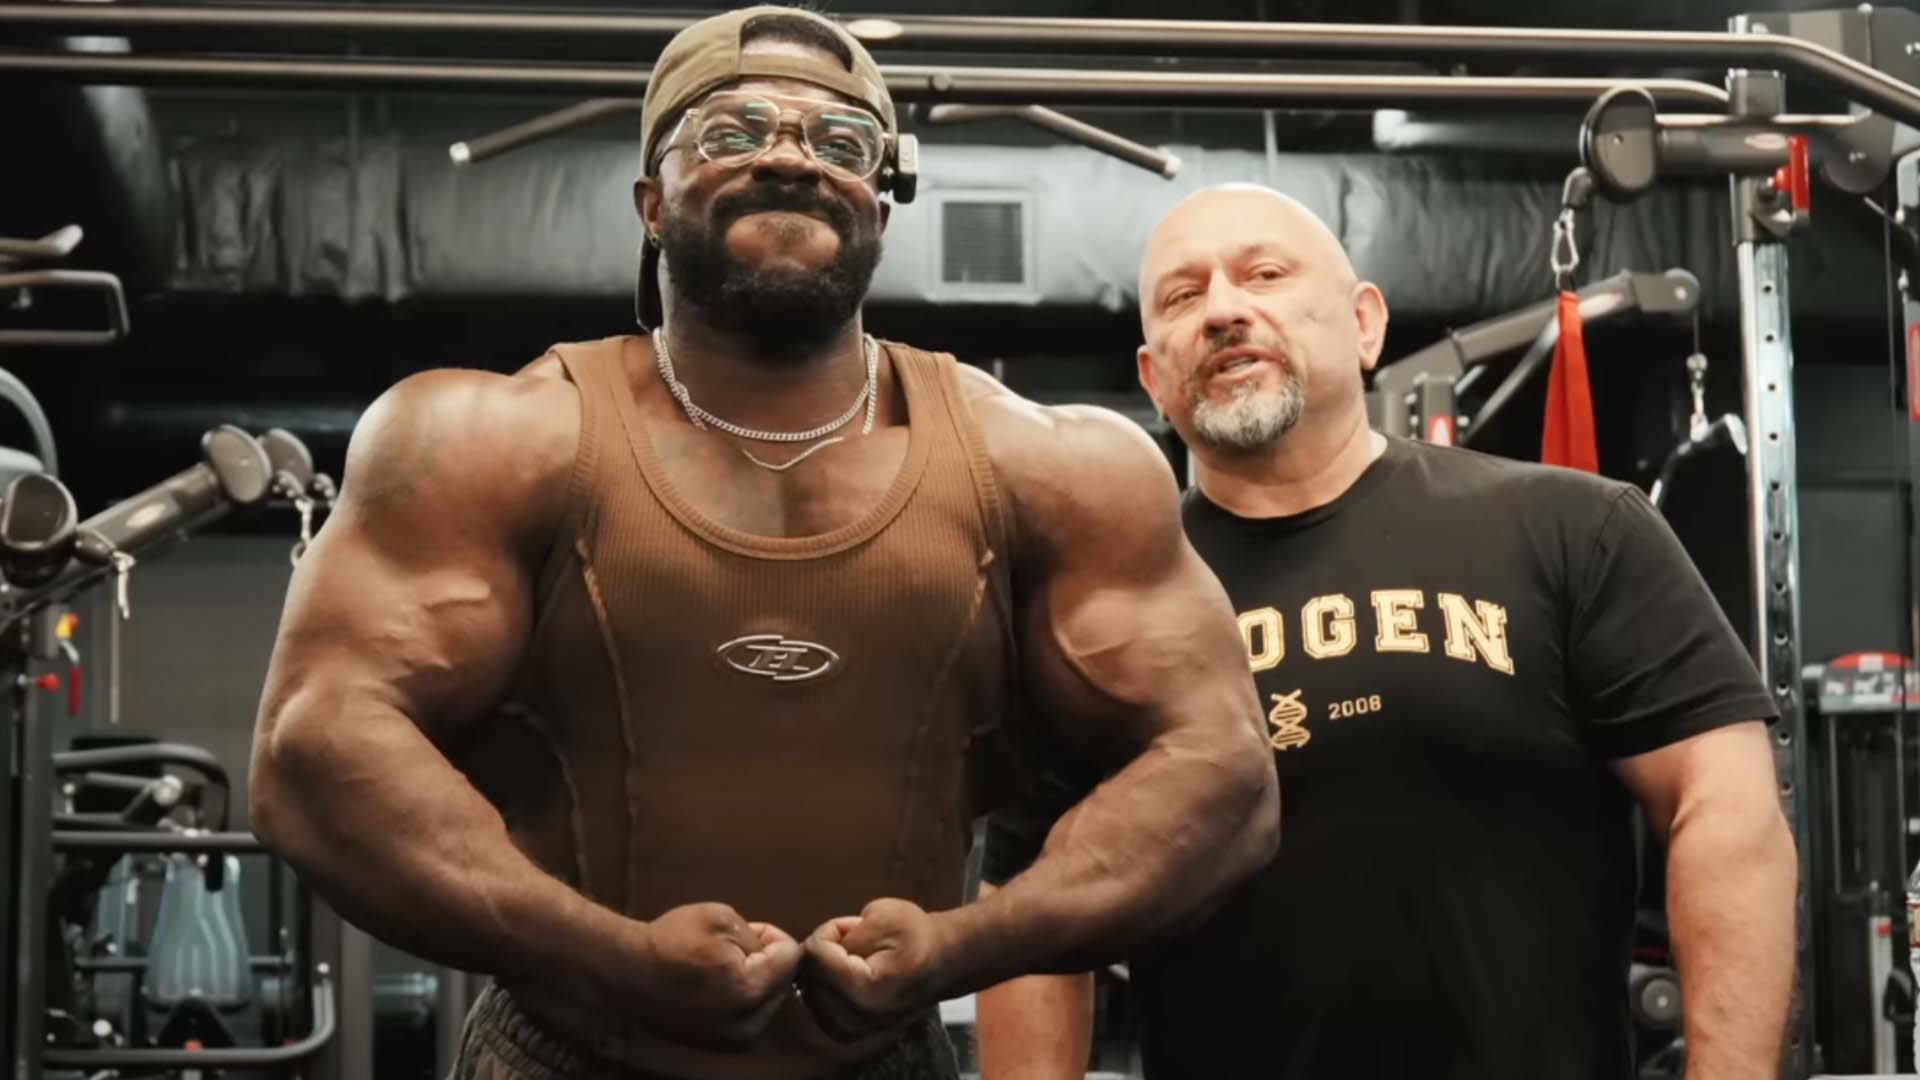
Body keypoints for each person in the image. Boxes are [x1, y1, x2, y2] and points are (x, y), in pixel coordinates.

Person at [247, 10, 1279, 1080]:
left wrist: (966, 949)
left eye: (841, 141)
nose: (791, 158)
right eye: (733, 132)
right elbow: (313, 754)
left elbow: (1225, 777)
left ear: (882, 196)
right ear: (651, 201)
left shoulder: (1054, 466)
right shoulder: (486, 440)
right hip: (561, 1051)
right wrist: (608, 959)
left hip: (886, 1059)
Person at [975, 183, 1795, 1080]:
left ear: (1364, 325)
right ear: (1151, 378)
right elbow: (1028, 912)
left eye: (1265, 274)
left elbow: (1724, 804)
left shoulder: (1574, 531)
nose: (1222, 310)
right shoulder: (1095, 609)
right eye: (1182, 295)